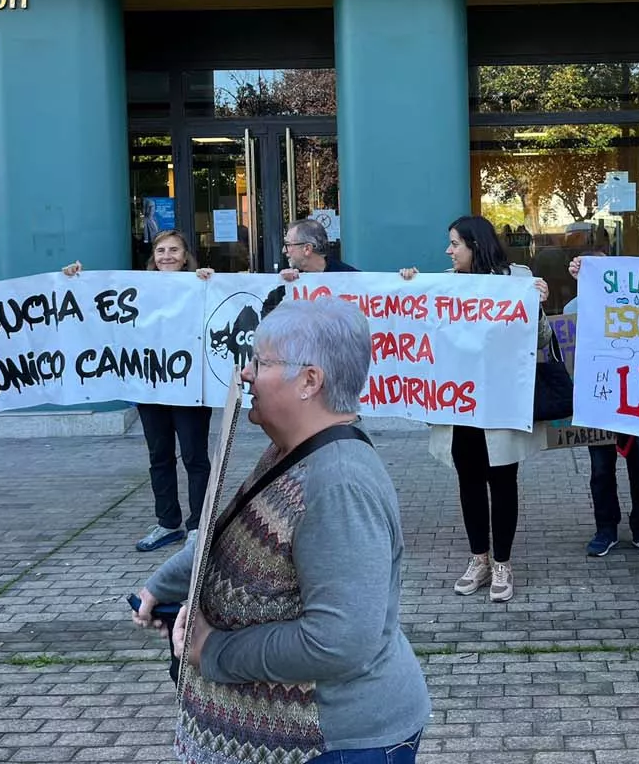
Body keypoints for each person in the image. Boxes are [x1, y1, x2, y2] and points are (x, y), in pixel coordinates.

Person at [132, 298, 430, 763]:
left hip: (339, 743)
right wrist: (162, 585)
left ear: (310, 381)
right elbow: (234, 535)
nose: (246, 374)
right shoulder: (291, 452)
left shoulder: (339, 483)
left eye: (260, 361)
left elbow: (339, 642)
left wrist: (213, 649)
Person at [400, 215, 549, 602]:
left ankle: (502, 562)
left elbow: (542, 339)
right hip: (459, 403)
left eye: (455, 244)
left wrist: (538, 303)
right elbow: (413, 324)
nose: (448, 251)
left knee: (502, 482)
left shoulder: (518, 278)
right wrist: (407, 284)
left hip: (500, 404)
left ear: (475, 246)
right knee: (468, 481)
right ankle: (478, 558)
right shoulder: (443, 285)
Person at [64, 230, 215, 552]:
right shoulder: (137, 290)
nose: (167, 256)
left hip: (190, 389)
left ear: (186, 256)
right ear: (153, 257)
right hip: (150, 388)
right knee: (159, 457)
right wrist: (75, 280)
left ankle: (199, 526)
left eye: (174, 250)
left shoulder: (201, 285)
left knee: (194, 457)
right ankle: (167, 523)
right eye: (161, 250)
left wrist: (211, 283)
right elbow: (97, 305)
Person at [566, 252, 639, 559]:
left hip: (637, 403)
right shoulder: (573, 309)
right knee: (601, 470)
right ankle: (605, 529)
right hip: (600, 403)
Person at [279, 217, 357, 276]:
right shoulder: (291, 277)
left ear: (307, 249)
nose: (283, 250)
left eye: (288, 245)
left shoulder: (350, 277)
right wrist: (284, 284)